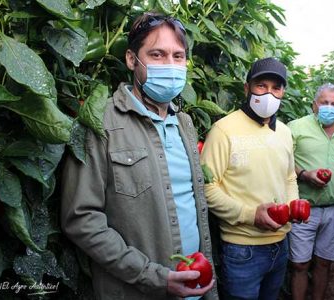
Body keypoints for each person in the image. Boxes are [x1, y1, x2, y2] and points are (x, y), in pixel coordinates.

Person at [60, 12, 217, 300]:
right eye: (157, 55)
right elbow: (81, 218)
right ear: (132, 60)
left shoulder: (185, 124)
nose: (170, 65)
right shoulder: (100, 121)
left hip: (197, 285)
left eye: (178, 56)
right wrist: (154, 277)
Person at [200, 57, 299, 299]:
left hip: (280, 244)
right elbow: (206, 186)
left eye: (276, 88)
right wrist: (250, 214)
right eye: (261, 86)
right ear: (247, 88)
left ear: (283, 92)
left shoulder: (285, 133)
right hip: (242, 247)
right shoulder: (224, 130)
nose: (269, 94)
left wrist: (293, 207)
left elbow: (289, 177)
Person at [287, 83, 334, 300]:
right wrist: (304, 174)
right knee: (299, 264)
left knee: (324, 262)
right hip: (303, 208)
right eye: (324, 103)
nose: (329, 107)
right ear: (314, 105)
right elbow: (283, 160)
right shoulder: (296, 128)